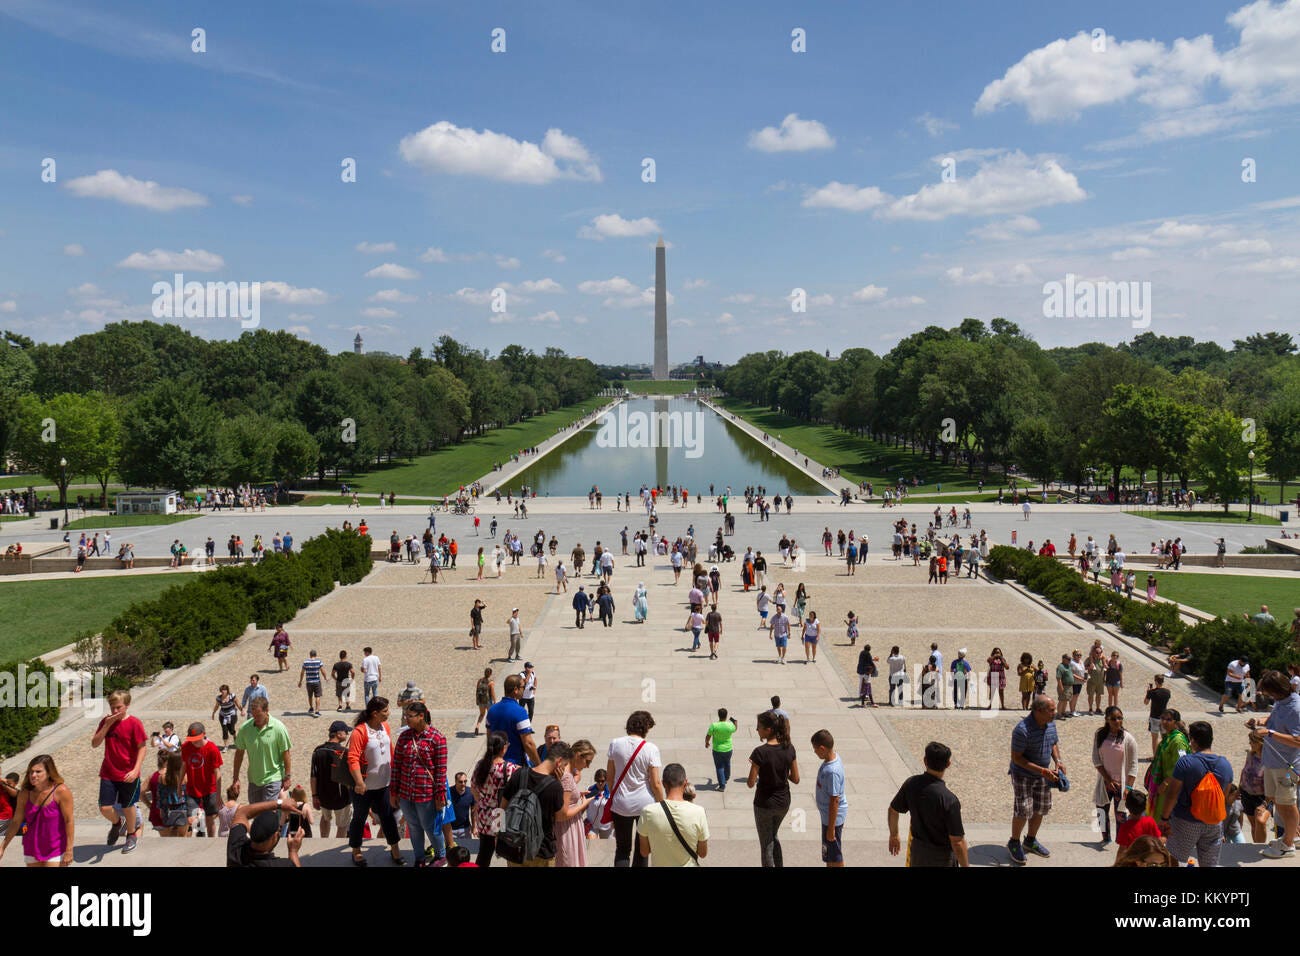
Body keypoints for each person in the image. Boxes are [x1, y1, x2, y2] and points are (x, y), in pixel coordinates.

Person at [1162, 721, 1232, 867]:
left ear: (1192, 740)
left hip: (1186, 820)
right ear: (1211, 739)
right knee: (1210, 864)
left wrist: (1164, 818)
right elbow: (1224, 797)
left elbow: (1172, 794)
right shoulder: (1225, 765)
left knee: (1172, 857)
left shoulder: (1185, 763)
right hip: (1213, 823)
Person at [345, 697, 404, 866]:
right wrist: (358, 782)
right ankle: (356, 850)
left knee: (388, 817)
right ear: (375, 713)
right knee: (359, 817)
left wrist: (395, 776)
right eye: (385, 711)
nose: (389, 713)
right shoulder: (360, 731)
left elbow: (390, 751)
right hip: (364, 787)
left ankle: (395, 849)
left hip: (384, 784)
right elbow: (353, 758)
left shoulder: (385, 726)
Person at [888, 741, 968, 867]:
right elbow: (957, 842)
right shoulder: (949, 800)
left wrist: (894, 835)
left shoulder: (911, 784)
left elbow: (893, 810)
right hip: (941, 858)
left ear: (925, 761)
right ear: (948, 764)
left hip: (918, 854)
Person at [1247, 670, 1300, 858]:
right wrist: (1261, 721)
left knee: (1287, 803)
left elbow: (1298, 740)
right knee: (1276, 799)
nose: (1267, 696)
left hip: (1286, 766)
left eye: (1269, 692)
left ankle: (1288, 845)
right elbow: (1273, 719)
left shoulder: (1295, 708)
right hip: (1272, 761)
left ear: (1277, 690)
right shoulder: (1281, 701)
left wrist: (1269, 733)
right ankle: (1291, 835)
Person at [1007, 695, 1064, 865]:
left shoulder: (1051, 724)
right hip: (1022, 774)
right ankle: (1014, 842)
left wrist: (1058, 762)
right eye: (1051, 710)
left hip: (1043, 775)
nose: (1055, 712)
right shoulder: (1022, 730)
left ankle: (1030, 840)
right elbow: (1017, 758)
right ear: (1038, 711)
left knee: (1041, 808)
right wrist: (1042, 770)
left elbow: (1053, 743)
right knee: (1024, 809)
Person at [391, 701, 448, 866]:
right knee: (414, 828)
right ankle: (419, 858)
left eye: (410, 716)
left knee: (430, 827)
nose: (406, 719)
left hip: (426, 794)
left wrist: (439, 795)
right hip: (405, 794)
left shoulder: (437, 738)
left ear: (421, 716)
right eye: (405, 716)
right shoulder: (404, 737)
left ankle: (440, 855)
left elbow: (440, 771)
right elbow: (397, 767)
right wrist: (394, 792)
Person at [499, 740, 571, 867]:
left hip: (514, 846)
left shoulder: (519, 774)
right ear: (559, 761)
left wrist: (498, 836)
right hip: (541, 850)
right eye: (564, 766)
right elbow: (561, 816)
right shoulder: (555, 787)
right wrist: (560, 783)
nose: (563, 769)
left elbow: (501, 809)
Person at [91, 689, 147, 854]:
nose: (115, 711)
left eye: (118, 707)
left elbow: (142, 748)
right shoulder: (106, 722)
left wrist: (136, 769)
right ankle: (117, 823)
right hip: (108, 771)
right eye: (112, 707)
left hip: (128, 773)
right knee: (104, 808)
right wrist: (107, 725)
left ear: (127, 706)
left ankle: (131, 835)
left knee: (128, 806)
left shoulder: (134, 723)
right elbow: (94, 743)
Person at [606, 711, 664, 867]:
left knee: (622, 849)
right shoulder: (651, 748)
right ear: (645, 728)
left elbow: (609, 777)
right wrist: (662, 804)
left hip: (621, 803)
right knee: (642, 850)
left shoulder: (615, 744)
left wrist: (613, 795)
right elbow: (656, 782)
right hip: (644, 805)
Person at [0, 755, 74, 867]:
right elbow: (16, 822)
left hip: (56, 847)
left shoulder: (61, 791)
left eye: (38, 772)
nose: (33, 775)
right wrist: (2, 847)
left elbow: (69, 821)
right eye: (31, 772)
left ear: (49, 773)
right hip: (32, 847)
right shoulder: (25, 793)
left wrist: (69, 850)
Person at [747, 710, 799, 867]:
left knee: (766, 844)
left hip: (764, 803)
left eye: (759, 727)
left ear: (768, 730)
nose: (757, 730)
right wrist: (781, 774)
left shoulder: (759, 752)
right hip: (783, 802)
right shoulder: (789, 748)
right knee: (773, 836)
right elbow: (796, 778)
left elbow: (750, 782)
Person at [638, 763, 709, 867]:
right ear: (685, 783)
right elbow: (703, 853)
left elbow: (644, 852)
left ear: (663, 783)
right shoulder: (698, 812)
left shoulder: (648, 812)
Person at [471, 732, 519, 867]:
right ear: (504, 747)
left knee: (484, 852)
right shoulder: (509, 768)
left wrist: (482, 801)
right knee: (507, 849)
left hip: (483, 812)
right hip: (500, 813)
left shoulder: (480, 765)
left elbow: (473, 788)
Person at [1092, 706, 1138, 844]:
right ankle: (1105, 838)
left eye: (1120, 718)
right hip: (1105, 782)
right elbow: (1096, 758)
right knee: (1100, 810)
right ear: (1107, 719)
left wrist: (1128, 788)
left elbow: (1134, 766)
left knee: (1121, 815)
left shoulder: (1128, 739)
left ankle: (1121, 841)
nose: (1117, 721)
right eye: (1114, 718)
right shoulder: (1100, 735)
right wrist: (1107, 779)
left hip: (1122, 785)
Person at [232, 697, 292, 804]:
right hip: (254, 780)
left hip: (273, 778)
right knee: (256, 816)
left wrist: (287, 776)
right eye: (254, 715)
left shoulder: (278, 728)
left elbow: (286, 753)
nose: (256, 719)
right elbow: (239, 754)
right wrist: (236, 778)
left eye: (259, 715)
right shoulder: (245, 729)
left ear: (266, 710)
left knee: (267, 815)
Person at [225, 796, 304, 867]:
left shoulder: (236, 850)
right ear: (273, 837)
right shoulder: (283, 865)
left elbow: (241, 813)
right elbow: (242, 813)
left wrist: (280, 803)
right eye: (279, 830)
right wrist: (293, 851)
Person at [485, 674, 540, 767]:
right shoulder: (520, 712)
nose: (524, 689)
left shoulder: (492, 710)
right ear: (515, 690)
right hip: (515, 765)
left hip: (495, 764)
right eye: (523, 687)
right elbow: (528, 743)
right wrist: (539, 765)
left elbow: (489, 737)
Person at [310, 720, 353, 837]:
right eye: (345, 732)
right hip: (341, 796)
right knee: (343, 824)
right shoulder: (343, 752)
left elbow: (313, 776)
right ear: (339, 734)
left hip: (323, 794)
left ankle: (324, 840)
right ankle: (335, 848)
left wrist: (314, 796)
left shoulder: (318, 750)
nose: (347, 734)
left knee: (325, 818)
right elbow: (348, 778)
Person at [181, 722, 224, 838]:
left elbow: (217, 773)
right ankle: (200, 833)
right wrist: (178, 784)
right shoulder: (185, 747)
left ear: (204, 734)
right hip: (192, 789)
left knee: (210, 819)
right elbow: (184, 766)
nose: (194, 742)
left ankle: (210, 840)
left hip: (210, 790)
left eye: (197, 739)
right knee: (192, 819)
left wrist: (219, 795)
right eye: (192, 739)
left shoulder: (212, 749)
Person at [811, 729, 847, 867]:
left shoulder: (832, 772)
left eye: (815, 749)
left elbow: (834, 800)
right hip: (827, 817)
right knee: (829, 855)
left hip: (832, 820)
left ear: (822, 748)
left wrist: (831, 828)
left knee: (835, 855)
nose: (814, 752)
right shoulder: (831, 758)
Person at [705, 709, 739, 791]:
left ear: (718, 715)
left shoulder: (714, 725)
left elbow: (708, 735)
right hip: (728, 749)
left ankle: (722, 785)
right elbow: (735, 729)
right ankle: (726, 777)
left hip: (717, 750)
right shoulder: (730, 725)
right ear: (726, 716)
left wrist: (707, 742)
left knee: (719, 767)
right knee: (727, 763)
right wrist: (735, 722)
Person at [212, 684, 241, 749]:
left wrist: (242, 710)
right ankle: (225, 746)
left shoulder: (232, 696)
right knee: (224, 730)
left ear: (227, 690)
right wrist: (213, 713)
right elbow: (217, 706)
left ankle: (234, 735)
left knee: (231, 729)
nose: (223, 691)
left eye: (224, 690)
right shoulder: (219, 698)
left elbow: (237, 703)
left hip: (232, 715)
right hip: (223, 716)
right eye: (222, 690)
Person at [299, 648, 325, 717]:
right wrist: (325, 677)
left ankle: (311, 708)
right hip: (317, 681)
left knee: (310, 696)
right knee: (317, 696)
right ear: (315, 655)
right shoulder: (318, 661)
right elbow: (322, 671)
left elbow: (302, 672)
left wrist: (300, 681)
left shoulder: (305, 662)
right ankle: (317, 711)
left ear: (310, 655)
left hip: (309, 682)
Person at [474, 667, 495, 735]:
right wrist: (495, 700)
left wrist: (477, 699)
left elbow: (477, 690)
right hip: (488, 701)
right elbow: (492, 693)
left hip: (481, 701)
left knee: (482, 714)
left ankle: (477, 726)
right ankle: (490, 729)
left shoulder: (480, 680)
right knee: (490, 715)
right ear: (490, 674)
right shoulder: (491, 682)